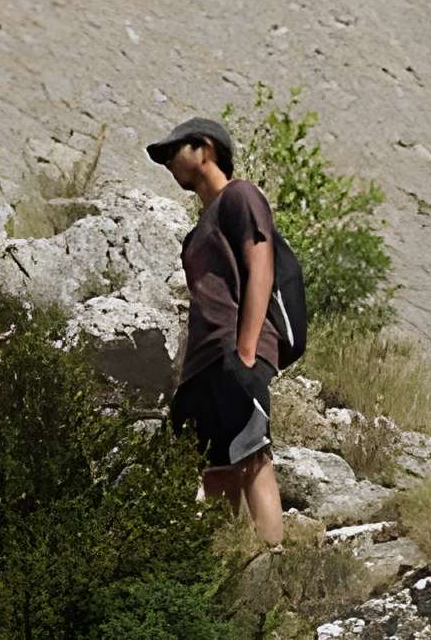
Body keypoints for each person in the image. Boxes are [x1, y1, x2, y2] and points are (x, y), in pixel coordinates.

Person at [148, 114, 286, 548]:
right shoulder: (195, 236)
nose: (168, 162)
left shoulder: (241, 196)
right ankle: (221, 572)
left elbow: (261, 266)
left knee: (252, 457)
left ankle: (274, 562)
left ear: (205, 148)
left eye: (174, 151)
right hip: (202, 366)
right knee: (216, 473)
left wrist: (245, 352)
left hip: (233, 353)